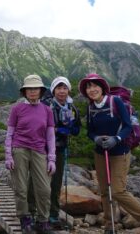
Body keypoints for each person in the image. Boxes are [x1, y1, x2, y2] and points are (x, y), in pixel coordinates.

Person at [79, 73, 140, 234]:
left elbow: (127, 126)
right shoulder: (90, 108)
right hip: (100, 153)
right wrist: (96, 138)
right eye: (88, 87)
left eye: (95, 85)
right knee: (104, 191)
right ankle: (109, 225)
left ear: (102, 87)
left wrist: (116, 139)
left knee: (117, 190)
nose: (92, 89)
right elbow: (90, 131)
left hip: (120, 152)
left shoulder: (115, 101)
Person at [5, 74, 56, 234]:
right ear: (24, 91)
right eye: (29, 89)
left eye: (36, 89)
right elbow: (9, 133)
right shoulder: (17, 109)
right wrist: (8, 155)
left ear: (41, 91)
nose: (33, 91)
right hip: (19, 149)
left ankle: (43, 220)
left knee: (44, 189)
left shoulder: (47, 110)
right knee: (20, 187)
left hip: (39, 151)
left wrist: (52, 158)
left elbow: (50, 136)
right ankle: (24, 218)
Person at [45, 76, 81, 228]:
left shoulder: (72, 109)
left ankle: (53, 214)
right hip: (43, 148)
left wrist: (59, 129)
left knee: (56, 182)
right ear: (53, 90)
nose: (62, 91)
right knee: (40, 182)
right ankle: (37, 212)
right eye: (59, 88)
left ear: (68, 90)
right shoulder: (46, 106)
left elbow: (76, 130)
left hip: (59, 149)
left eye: (64, 88)